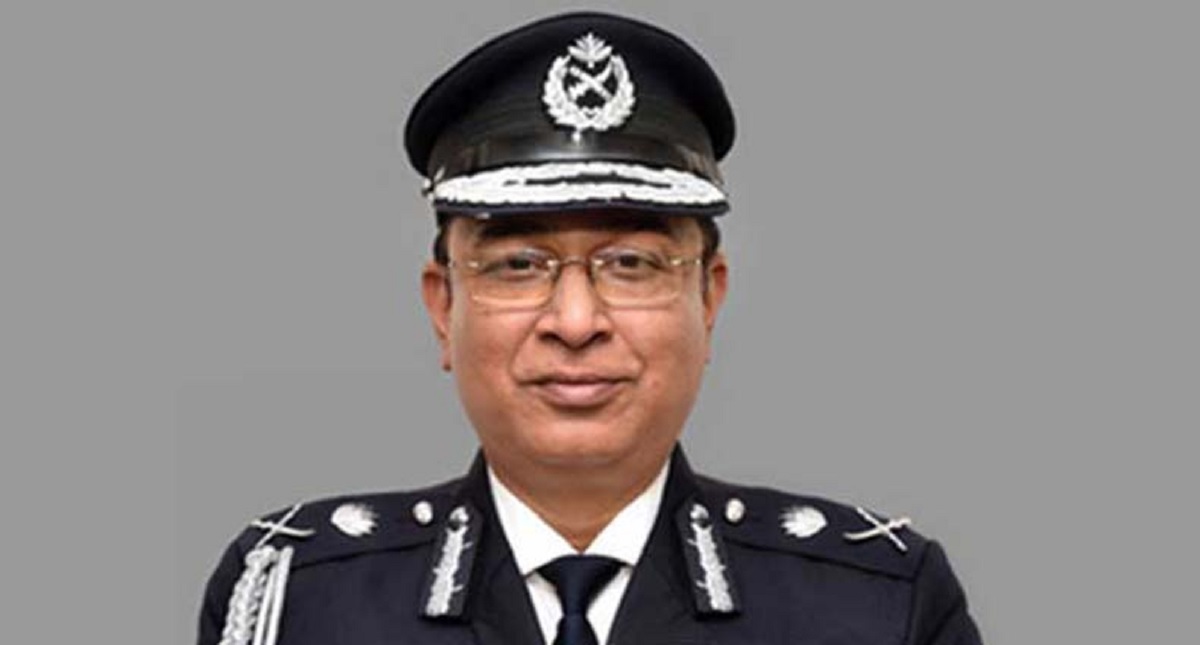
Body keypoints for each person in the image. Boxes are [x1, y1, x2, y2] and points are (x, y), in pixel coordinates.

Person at [197, 11, 982, 645]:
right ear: (443, 306)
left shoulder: (872, 607)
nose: (575, 322)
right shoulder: (302, 603)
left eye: (631, 263)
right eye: (518, 265)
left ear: (708, 299)